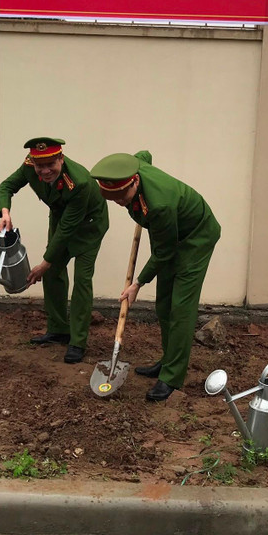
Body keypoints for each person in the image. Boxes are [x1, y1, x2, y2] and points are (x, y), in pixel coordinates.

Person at [90, 150, 220, 402]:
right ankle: (168, 360)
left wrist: (138, 283)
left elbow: (164, 252)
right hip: (170, 235)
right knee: (164, 305)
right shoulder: (134, 168)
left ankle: (172, 377)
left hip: (195, 238)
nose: (119, 202)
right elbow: (144, 154)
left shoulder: (159, 206)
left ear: (135, 181)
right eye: (112, 198)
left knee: (180, 308)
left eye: (121, 197)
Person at [0, 138, 109, 364]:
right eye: (41, 166)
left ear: (61, 158)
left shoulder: (79, 183)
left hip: (88, 225)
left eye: (51, 165)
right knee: (53, 274)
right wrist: (5, 212)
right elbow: (6, 186)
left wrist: (45, 263)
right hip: (60, 218)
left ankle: (77, 341)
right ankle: (59, 329)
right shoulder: (30, 166)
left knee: (82, 280)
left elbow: (68, 229)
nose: (45, 171)